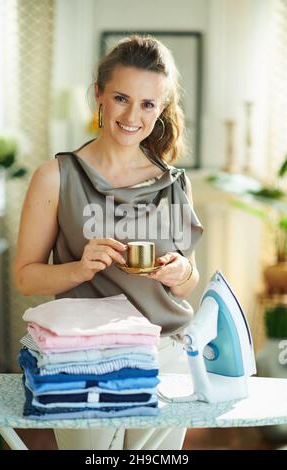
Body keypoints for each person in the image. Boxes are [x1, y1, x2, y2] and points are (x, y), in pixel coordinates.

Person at [14, 35, 203, 450]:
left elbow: (187, 282)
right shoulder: (57, 175)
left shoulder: (174, 182)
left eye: (148, 104)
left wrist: (180, 271)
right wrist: (80, 268)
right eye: (121, 97)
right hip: (83, 356)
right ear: (98, 94)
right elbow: (26, 279)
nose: (133, 115)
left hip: (165, 352)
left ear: (162, 109)